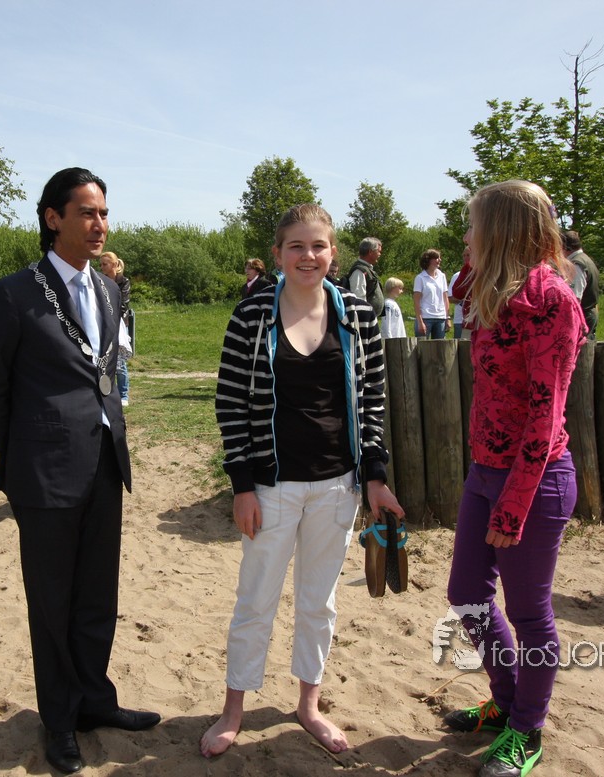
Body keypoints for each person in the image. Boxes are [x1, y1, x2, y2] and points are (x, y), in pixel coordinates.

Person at [0, 168, 157, 775]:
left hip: (105, 461)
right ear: (53, 218)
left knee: (97, 594)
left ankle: (94, 701)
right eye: (86, 213)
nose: (99, 224)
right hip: (44, 472)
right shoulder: (12, 294)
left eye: (104, 213)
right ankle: (58, 720)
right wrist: (23, 452)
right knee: (52, 602)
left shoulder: (107, 289)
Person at [203, 204, 402, 757]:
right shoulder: (252, 314)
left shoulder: (357, 315)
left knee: (319, 603)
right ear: (278, 254)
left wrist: (376, 475)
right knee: (255, 600)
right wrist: (243, 485)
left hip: (338, 486)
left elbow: (372, 399)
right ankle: (233, 710)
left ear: (333, 253)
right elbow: (230, 402)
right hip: (271, 486)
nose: (308, 256)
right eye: (296, 246)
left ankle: (309, 704)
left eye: (318, 246)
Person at [443, 180, 584, 777]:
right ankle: (505, 701)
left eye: (473, 226)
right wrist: (478, 262)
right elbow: (457, 287)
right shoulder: (493, 291)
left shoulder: (552, 300)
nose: (464, 236)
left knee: (529, 615)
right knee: (466, 595)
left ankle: (527, 730)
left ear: (501, 231)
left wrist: (514, 505)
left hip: (535, 480)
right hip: (485, 472)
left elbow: (545, 415)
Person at [99, 251, 131, 406]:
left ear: (114, 264)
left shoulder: (123, 281)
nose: (102, 267)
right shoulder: (99, 280)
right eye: (100, 265)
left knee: (119, 361)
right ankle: (108, 391)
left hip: (119, 324)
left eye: (105, 264)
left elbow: (123, 304)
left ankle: (124, 394)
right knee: (104, 359)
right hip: (103, 322)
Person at [561, 230, 599, 342]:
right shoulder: (585, 259)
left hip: (582, 317)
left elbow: (574, 298)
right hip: (586, 315)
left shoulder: (576, 264)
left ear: (565, 247)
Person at [339, 237, 385, 318]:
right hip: (364, 320)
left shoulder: (366, 269)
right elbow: (358, 299)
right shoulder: (359, 271)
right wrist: (364, 319)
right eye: (378, 251)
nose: (380, 254)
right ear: (370, 252)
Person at [413, 248, 450, 339]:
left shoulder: (442, 276)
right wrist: (420, 322)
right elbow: (416, 301)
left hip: (440, 318)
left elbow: (445, 298)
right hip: (425, 318)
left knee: (440, 346)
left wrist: (447, 318)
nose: (439, 260)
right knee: (422, 345)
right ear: (429, 260)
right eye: (437, 258)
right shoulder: (420, 278)